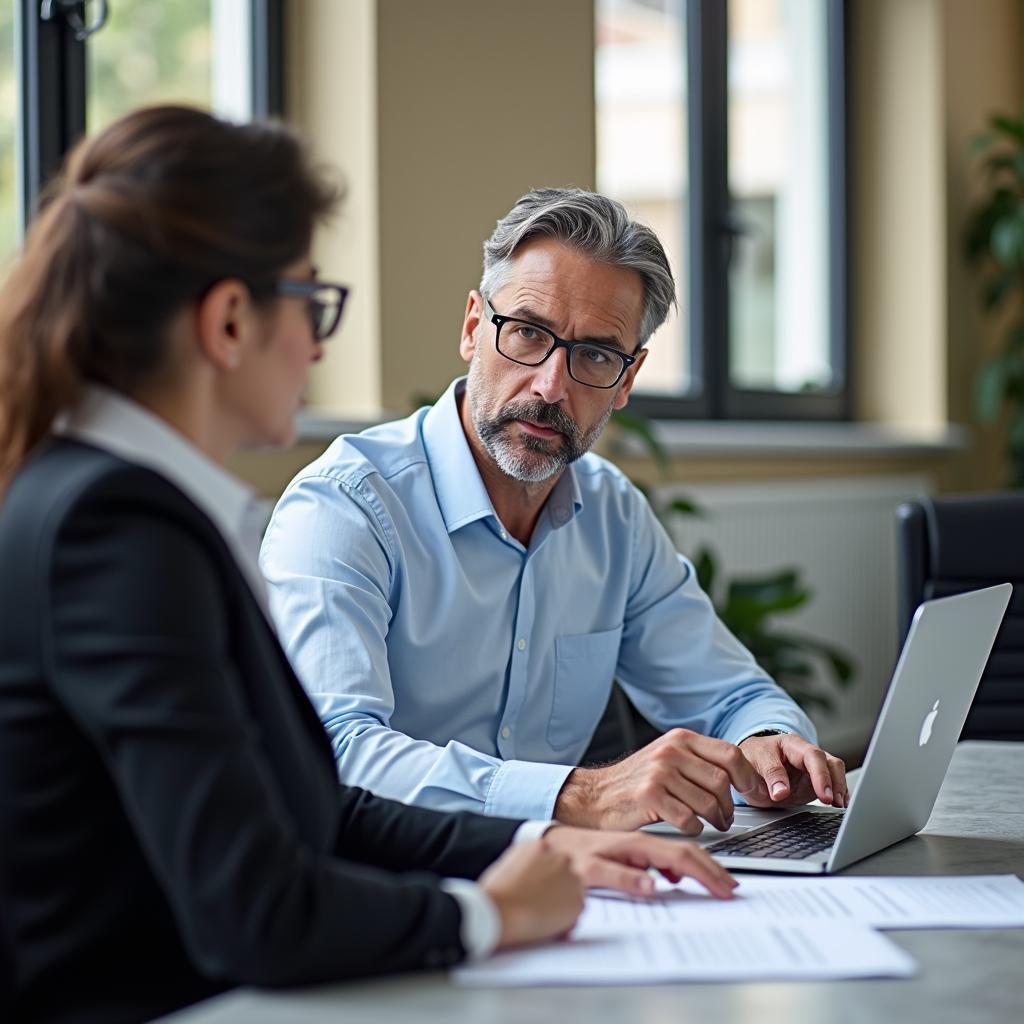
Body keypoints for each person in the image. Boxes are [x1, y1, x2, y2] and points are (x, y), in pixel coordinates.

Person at [0, 110, 737, 1024]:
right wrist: (488, 914)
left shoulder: (133, 510)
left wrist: (546, 844)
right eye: (311, 306)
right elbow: (257, 909)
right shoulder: (115, 531)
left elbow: (308, 804)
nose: (317, 347)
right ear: (231, 321)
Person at [261, 187, 849, 831]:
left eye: (595, 354)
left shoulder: (613, 516)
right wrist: (582, 795)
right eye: (527, 334)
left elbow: (734, 694)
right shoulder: (346, 508)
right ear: (471, 327)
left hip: (575, 885)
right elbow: (336, 753)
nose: (550, 386)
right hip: (398, 886)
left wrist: (768, 743)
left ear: (627, 379)